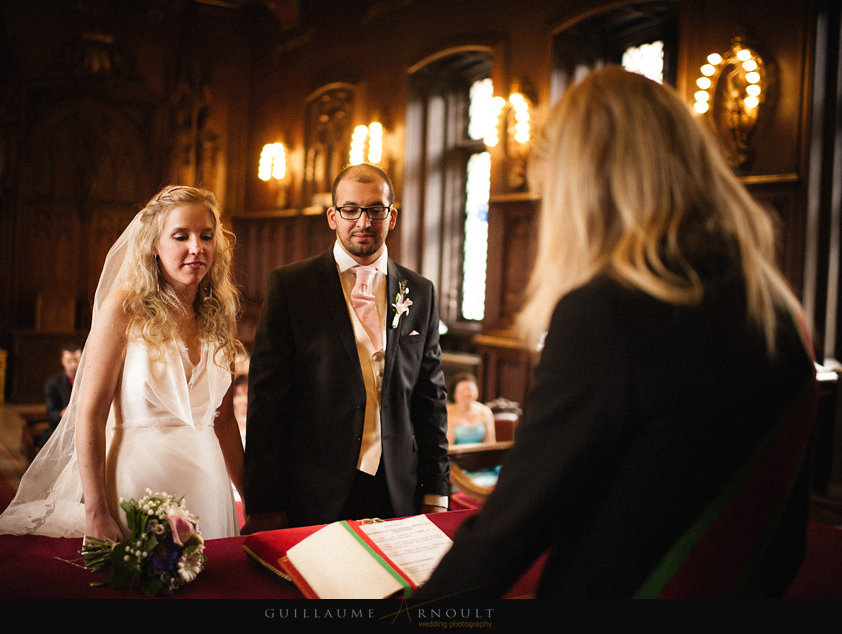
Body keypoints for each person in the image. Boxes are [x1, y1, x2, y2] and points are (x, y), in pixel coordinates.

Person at [416, 67, 817, 600]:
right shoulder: (777, 313)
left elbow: (510, 531)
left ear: (583, 190)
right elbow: (783, 538)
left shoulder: (606, 315)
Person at [0, 186, 246, 541]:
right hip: (138, 480)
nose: (196, 247)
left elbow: (224, 421)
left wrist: (254, 502)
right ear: (154, 243)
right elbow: (90, 414)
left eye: (206, 236)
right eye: (181, 236)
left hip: (208, 485)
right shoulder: (124, 309)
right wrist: (96, 511)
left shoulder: (219, 315)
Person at [242, 163, 450, 533]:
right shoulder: (291, 287)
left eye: (375, 210)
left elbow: (430, 399)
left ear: (392, 216)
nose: (363, 222)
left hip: (397, 490)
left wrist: (436, 489)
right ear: (332, 217)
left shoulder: (420, 292)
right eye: (351, 210)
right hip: (314, 491)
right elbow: (267, 403)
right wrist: (263, 502)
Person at [39, 343, 82, 448]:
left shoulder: (90, 381)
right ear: (63, 361)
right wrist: (63, 413)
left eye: (76, 361)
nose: (74, 365)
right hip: (62, 428)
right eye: (69, 361)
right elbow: (50, 414)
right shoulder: (53, 383)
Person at [446, 373, 495, 446]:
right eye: (462, 390)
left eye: (470, 389)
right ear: (454, 394)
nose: (467, 393)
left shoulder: (485, 411)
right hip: (456, 455)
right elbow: (448, 445)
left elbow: (491, 443)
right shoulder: (448, 411)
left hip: (480, 455)